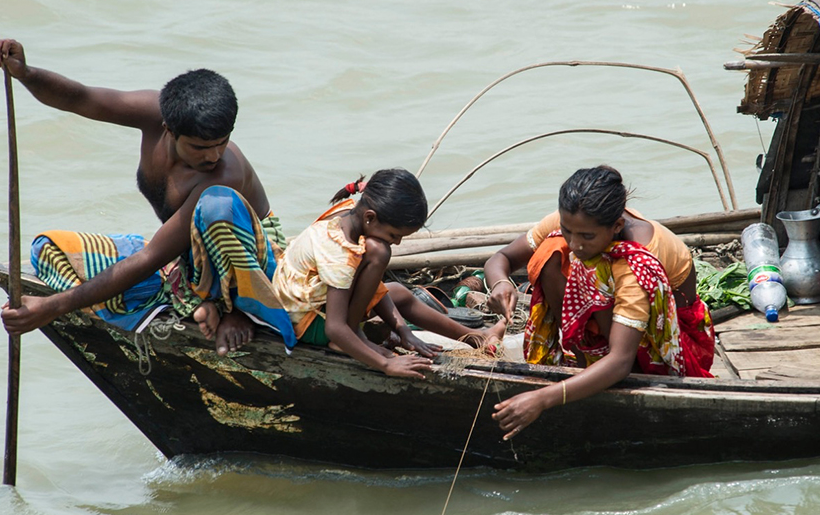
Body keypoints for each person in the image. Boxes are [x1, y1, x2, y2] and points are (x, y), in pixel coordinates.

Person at [0, 39, 295, 355]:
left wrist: (53, 307)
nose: (214, 155)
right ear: (169, 129)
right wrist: (25, 74)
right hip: (184, 255)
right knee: (49, 250)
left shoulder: (224, 174)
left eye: (222, 142)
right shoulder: (153, 114)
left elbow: (150, 259)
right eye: (200, 147)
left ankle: (238, 309)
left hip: (249, 258)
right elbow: (81, 98)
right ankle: (196, 300)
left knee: (218, 205)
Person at [484, 166, 715, 439]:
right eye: (569, 231)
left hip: (668, 344)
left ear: (617, 226)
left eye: (587, 237)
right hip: (613, 325)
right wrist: (500, 283)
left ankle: (592, 373)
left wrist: (541, 399)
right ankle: (587, 365)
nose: (575, 243)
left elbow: (620, 361)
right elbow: (502, 259)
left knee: (600, 270)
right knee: (552, 250)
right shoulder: (572, 223)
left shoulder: (637, 261)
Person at [272, 168, 509, 379]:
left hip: (309, 303)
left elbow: (373, 288)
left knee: (397, 292)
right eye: (395, 235)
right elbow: (334, 327)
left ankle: (475, 336)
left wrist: (404, 331)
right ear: (370, 217)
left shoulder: (350, 214)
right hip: (308, 323)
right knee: (379, 251)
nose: (396, 243)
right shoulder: (339, 253)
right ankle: (349, 339)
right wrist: (386, 364)